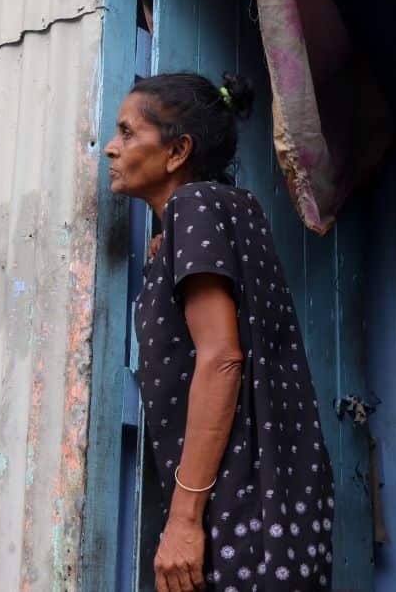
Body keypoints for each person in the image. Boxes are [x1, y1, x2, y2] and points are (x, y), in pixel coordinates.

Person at [104, 72, 334, 591]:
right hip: (284, 501)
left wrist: (184, 520)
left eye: (127, 133)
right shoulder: (231, 211)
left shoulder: (193, 209)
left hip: (239, 505)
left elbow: (222, 358)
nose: (111, 150)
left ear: (178, 149)